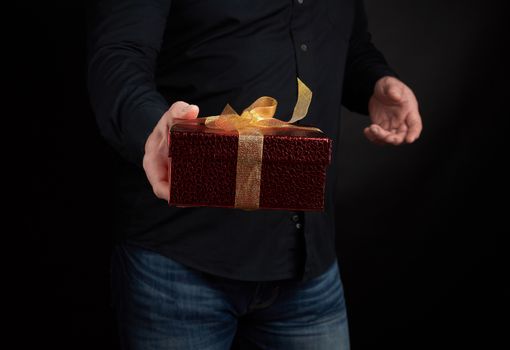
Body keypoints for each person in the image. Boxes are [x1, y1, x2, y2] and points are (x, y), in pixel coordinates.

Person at [87, 0, 422, 349]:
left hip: (308, 269)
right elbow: (118, 55)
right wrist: (152, 132)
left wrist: (375, 82)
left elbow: (348, 45)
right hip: (178, 268)